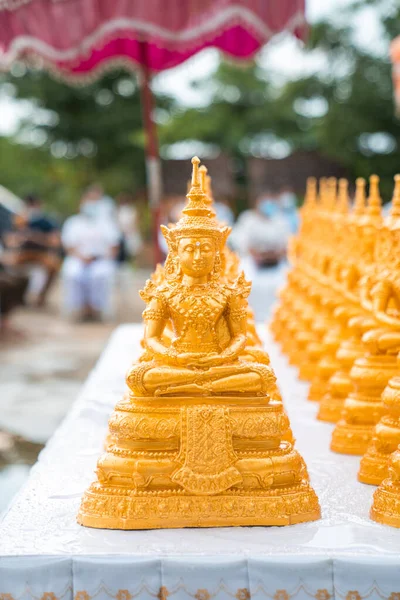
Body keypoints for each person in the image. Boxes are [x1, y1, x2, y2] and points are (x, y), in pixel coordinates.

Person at [61, 191, 120, 321]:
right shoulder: (73, 222)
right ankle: (78, 308)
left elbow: (114, 246)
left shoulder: (106, 224)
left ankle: (97, 309)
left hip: (101, 260)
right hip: (78, 259)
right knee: (73, 273)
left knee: (100, 275)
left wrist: (101, 257)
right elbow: (69, 246)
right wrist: (82, 257)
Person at [2, 194, 61, 306]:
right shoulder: (18, 220)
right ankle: (13, 299)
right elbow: (9, 240)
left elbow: (55, 241)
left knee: (53, 266)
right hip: (21, 253)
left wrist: (36, 237)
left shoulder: (46, 222)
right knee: (6, 263)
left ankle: (41, 297)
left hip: (41, 254)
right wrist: (20, 238)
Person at [230, 191, 290, 268]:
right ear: (257, 202)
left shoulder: (280, 219)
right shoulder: (248, 218)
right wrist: (255, 254)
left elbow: (288, 241)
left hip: (277, 266)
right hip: (252, 266)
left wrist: (276, 254)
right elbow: (240, 240)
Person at [116, 192, 143, 261]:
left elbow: (136, 220)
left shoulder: (132, 209)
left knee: (135, 248)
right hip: (123, 232)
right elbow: (118, 221)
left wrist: (132, 228)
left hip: (132, 231)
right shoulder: (119, 210)